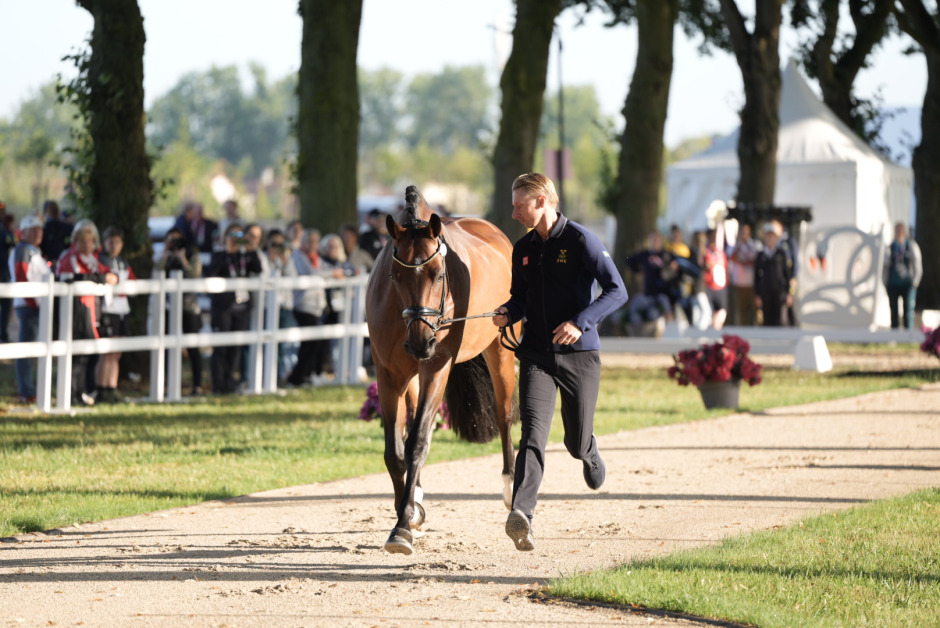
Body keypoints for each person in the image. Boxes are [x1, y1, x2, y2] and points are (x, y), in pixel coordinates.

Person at [492, 173, 627, 552]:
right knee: (532, 434)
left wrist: (580, 323)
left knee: (574, 440)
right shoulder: (522, 249)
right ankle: (523, 514)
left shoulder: (582, 240)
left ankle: (589, 450)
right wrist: (507, 311)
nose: (514, 211)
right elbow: (520, 297)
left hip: (580, 356)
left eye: (520, 204)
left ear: (542, 202)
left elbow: (617, 290)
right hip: (536, 354)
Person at [55, 221, 119, 406]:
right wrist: (102, 279)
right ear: (75, 241)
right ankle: (73, 394)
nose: (87, 245)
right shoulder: (70, 257)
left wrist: (110, 276)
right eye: (83, 241)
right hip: (76, 311)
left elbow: (102, 272)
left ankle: (81, 391)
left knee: (87, 354)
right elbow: (72, 277)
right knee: (78, 355)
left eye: (90, 241)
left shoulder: (91, 259)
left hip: (90, 310)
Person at [206, 224, 262, 394]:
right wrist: (228, 251)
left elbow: (258, 269)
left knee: (235, 348)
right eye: (232, 234)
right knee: (221, 347)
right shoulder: (219, 254)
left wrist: (251, 248)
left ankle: (229, 383)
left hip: (242, 307)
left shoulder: (245, 256)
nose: (236, 238)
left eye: (239, 235)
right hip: (223, 308)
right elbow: (212, 273)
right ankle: (218, 385)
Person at [158, 226, 205, 395]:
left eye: (177, 240)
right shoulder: (166, 255)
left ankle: (197, 385)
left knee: (193, 347)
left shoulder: (192, 255)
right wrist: (165, 253)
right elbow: (157, 273)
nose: (174, 243)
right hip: (169, 307)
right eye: (171, 240)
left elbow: (195, 276)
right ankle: (164, 384)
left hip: (189, 307)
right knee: (166, 347)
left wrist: (183, 258)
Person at [95, 226, 137, 403]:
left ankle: (112, 387)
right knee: (107, 351)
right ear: (104, 243)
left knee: (117, 352)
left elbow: (132, 282)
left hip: (122, 310)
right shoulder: (100, 260)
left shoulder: (124, 262)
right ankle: (101, 388)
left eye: (117, 242)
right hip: (108, 309)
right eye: (110, 242)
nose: (114, 246)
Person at [11, 215, 50, 403]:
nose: (38, 233)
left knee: (31, 349)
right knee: (26, 349)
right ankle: (26, 391)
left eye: (39, 230)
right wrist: (34, 303)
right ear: (23, 233)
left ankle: (29, 390)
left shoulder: (33, 251)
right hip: (29, 307)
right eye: (33, 230)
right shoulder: (23, 251)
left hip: (34, 306)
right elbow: (21, 276)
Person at [286, 229, 329, 387]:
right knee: (309, 344)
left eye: (315, 241)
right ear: (303, 242)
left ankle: (305, 375)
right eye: (309, 241)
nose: (312, 244)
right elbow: (313, 273)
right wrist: (333, 273)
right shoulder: (298, 256)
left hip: (316, 306)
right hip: (303, 305)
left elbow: (324, 270)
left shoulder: (316, 258)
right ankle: (297, 377)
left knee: (313, 343)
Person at [263, 229, 298, 382]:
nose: (277, 247)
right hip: (267, 307)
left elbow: (293, 279)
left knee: (282, 344)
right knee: (267, 343)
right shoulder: (263, 258)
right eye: (274, 244)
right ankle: (266, 376)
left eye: (280, 244)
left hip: (284, 306)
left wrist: (285, 261)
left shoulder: (287, 259)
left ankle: (278, 376)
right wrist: (271, 258)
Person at [625, 231, 677, 331]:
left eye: (657, 240)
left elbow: (676, 266)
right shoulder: (645, 255)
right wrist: (639, 270)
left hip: (663, 293)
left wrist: (671, 266)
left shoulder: (666, 255)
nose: (655, 242)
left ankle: (671, 334)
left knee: (667, 310)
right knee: (636, 308)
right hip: (648, 293)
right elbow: (628, 260)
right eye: (653, 240)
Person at [754, 220, 795, 327]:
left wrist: (789, 293)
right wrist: (757, 294)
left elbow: (787, 274)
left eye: (772, 236)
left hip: (779, 292)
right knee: (767, 319)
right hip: (766, 292)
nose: (770, 238)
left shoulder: (781, 254)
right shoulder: (761, 254)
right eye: (768, 236)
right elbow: (757, 276)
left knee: (781, 319)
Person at [883, 221, 923, 330]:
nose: (898, 233)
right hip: (893, 283)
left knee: (908, 309)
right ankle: (895, 335)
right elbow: (885, 266)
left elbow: (917, 264)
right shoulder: (890, 248)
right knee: (894, 310)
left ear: (904, 232)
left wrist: (915, 281)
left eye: (900, 231)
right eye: (897, 231)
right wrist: (885, 281)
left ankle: (908, 335)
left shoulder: (911, 246)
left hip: (908, 283)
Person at [728, 223, 760, 326]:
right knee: (742, 312)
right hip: (739, 285)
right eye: (742, 232)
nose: (744, 235)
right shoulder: (736, 245)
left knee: (757, 311)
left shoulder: (755, 245)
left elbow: (755, 261)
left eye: (746, 232)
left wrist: (742, 262)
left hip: (752, 284)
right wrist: (740, 246)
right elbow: (732, 257)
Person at [703, 228, 728, 330]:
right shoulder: (705, 251)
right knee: (709, 313)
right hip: (709, 286)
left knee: (721, 312)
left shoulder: (720, 252)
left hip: (721, 286)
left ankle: (717, 329)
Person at [0, 201, 15, 342]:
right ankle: (3, 335)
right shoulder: (4, 230)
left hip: (4, 271)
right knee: (5, 306)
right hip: (3, 273)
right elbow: (12, 242)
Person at [40, 200, 72, 264]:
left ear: (46, 212)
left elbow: (42, 248)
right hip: (66, 261)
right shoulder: (67, 227)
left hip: (51, 262)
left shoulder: (45, 229)